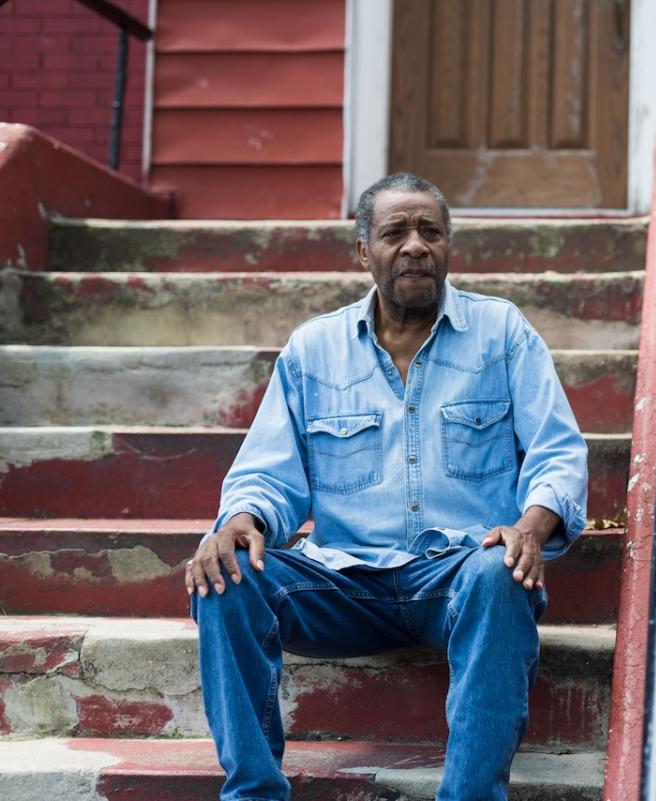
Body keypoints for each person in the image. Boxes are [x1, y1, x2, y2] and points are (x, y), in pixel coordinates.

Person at [185, 172, 590, 801]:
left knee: (498, 572)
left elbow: (557, 454)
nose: (415, 246)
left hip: (456, 578)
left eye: (431, 231)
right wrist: (245, 519)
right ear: (362, 251)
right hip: (342, 584)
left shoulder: (503, 334)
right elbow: (269, 473)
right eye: (395, 231)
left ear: (449, 246)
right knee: (225, 575)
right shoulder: (313, 349)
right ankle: (255, 793)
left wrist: (530, 526)